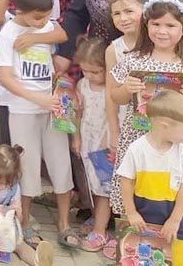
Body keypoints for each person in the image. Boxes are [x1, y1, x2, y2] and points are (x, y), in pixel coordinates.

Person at [109, 0, 183, 229]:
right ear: (146, 25)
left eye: (170, 25)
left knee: (171, 189)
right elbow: (116, 97)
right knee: (137, 186)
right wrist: (126, 89)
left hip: (177, 145)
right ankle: (134, 240)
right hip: (139, 138)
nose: (162, 31)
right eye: (156, 24)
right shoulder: (134, 60)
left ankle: (173, 236)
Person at [0, 0, 78, 250]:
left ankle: (64, 223)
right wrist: (36, 98)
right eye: (37, 18)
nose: (43, 21)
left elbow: (62, 34)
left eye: (47, 15)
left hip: (53, 110)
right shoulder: (9, 32)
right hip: (23, 110)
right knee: (27, 166)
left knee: (60, 163)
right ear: (20, 10)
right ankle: (26, 218)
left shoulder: (45, 25)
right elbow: (5, 78)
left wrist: (36, 35)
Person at [117, 90, 183, 265]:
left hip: (175, 214)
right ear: (164, 125)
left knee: (180, 257)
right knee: (140, 256)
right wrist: (131, 212)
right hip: (144, 212)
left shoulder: (182, 153)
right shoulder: (136, 149)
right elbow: (126, 181)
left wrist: (175, 219)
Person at [69, 38, 114, 256]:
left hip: (105, 146)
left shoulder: (112, 89)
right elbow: (78, 113)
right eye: (85, 71)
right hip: (87, 141)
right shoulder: (82, 85)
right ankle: (97, 217)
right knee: (91, 185)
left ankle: (100, 230)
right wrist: (76, 137)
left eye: (96, 72)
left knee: (104, 190)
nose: (90, 76)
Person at [105, 0, 146, 149]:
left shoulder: (160, 43)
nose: (123, 18)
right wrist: (114, 131)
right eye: (116, 13)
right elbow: (110, 93)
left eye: (129, 11)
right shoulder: (114, 50)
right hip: (127, 120)